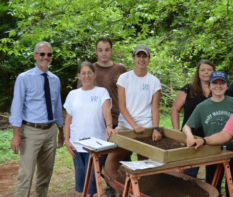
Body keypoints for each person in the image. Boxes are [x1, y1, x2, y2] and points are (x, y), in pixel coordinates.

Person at [9, 41, 64, 197]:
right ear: (35, 56)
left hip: (50, 132)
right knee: (26, 175)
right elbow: (17, 107)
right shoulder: (24, 78)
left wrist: (60, 130)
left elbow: (57, 106)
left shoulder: (55, 79)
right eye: (42, 54)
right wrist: (16, 134)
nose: (46, 57)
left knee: (45, 175)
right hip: (30, 132)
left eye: (49, 54)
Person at [77, 38, 127, 197]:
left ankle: (122, 187)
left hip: (118, 119)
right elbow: (81, 96)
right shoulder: (90, 70)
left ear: (112, 51)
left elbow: (128, 94)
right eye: (100, 50)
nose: (103, 53)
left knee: (122, 156)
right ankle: (107, 186)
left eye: (107, 49)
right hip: (97, 122)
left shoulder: (121, 69)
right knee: (101, 158)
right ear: (96, 51)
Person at [105, 44, 162, 182]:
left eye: (144, 56)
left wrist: (155, 128)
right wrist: (134, 125)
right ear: (133, 58)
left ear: (148, 59)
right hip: (125, 127)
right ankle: (125, 189)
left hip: (146, 128)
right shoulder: (124, 78)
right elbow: (122, 106)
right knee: (108, 167)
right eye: (138, 56)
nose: (141, 59)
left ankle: (141, 190)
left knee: (144, 169)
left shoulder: (154, 81)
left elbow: (154, 108)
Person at [183, 71, 233, 197]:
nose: (218, 86)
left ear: (227, 85)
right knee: (212, 186)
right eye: (215, 83)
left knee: (231, 187)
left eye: (222, 83)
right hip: (212, 153)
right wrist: (189, 134)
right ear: (209, 85)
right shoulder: (202, 106)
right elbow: (187, 126)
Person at [64, 61, 117, 197]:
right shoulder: (72, 94)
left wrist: (109, 126)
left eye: (89, 73)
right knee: (83, 182)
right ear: (79, 76)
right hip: (77, 144)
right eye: (83, 73)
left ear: (94, 75)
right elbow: (68, 120)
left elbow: (106, 111)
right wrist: (67, 139)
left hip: (96, 144)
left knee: (93, 180)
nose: (86, 76)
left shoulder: (101, 92)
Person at [170, 59, 215, 178]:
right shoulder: (188, 89)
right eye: (203, 70)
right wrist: (175, 129)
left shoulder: (218, 90)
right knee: (189, 173)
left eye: (209, 70)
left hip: (211, 138)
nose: (206, 72)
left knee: (213, 172)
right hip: (190, 137)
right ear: (198, 73)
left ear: (214, 72)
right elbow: (175, 109)